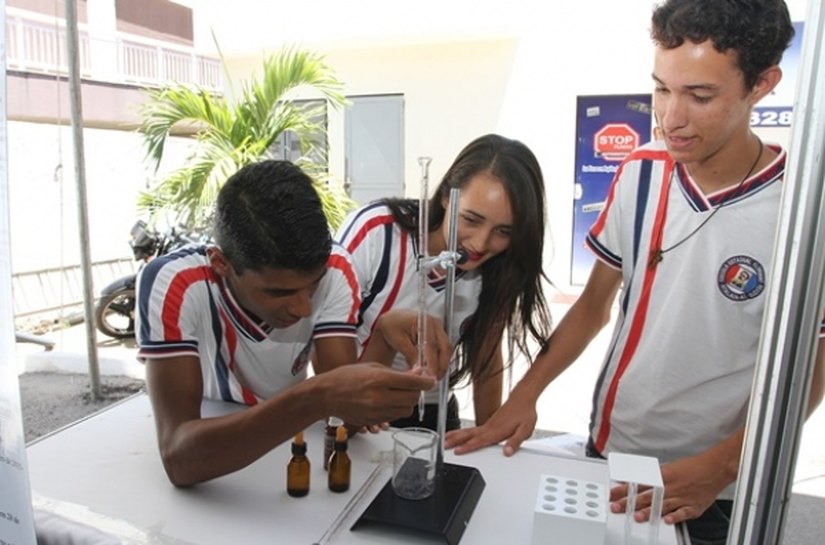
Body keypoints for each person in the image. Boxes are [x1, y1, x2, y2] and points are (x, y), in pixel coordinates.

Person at [446, 2, 825, 544]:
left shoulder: (804, 209)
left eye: (699, 96)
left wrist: (724, 465)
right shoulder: (640, 173)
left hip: (712, 484)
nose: (671, 117)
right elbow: (594, 305)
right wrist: (525, 395)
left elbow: (814, 362)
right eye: (662, 89)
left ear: (762, 85)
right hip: (610, 451)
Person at [136, 160, 450, 487]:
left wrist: (384, 335)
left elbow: (343, 419)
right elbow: (180, 459)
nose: (302, 308)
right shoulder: (174, 283)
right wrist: (315, 397)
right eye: (278, 292)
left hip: (289, 451)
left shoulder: (336, 270)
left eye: (312, 285)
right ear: (221, 263)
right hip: (213, 458)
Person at [336, 134, 552, 431]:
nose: (480, 243)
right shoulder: (377, 233)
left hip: (434, 413)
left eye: (503, 231)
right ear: (446, 196)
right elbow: (328, 339)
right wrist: (348, 410)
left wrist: (489, 436)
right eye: (471, 220)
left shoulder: (498, 268)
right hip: (360, 408)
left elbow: (487, 358)